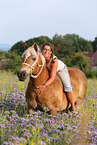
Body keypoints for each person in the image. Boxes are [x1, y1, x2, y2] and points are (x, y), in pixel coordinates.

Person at [36, 42, 76, 111]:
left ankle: (73, 106)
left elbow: (52, 77)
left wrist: (44, 86)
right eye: (45, 49)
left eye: (48, 50)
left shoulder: (54, 60)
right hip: (48, 70)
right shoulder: (40, 57)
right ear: (42, 50)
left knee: (67, 87)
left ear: (51, 52)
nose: (46, 52)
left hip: (60, 69)